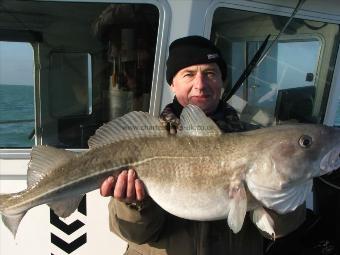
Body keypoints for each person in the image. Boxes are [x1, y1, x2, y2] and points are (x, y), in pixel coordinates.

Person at [100, 35, 306, 255]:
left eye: (210, 73)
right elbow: (134, 234)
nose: (200, 84)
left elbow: (279, 230)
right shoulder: (144, 144)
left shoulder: (257, 138)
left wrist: (283, 190)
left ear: (222, 81)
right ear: (172, 84)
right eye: (188, 74)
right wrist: (133, 205)